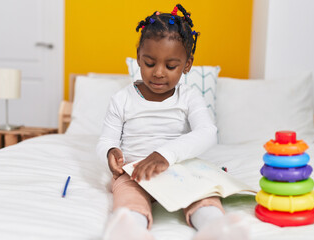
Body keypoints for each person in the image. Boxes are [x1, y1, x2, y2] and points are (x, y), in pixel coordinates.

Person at [97, 4, 248, 240]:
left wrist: (165, 155)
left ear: (187, 65)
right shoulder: (121, 99)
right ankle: (131, 230)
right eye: (149, 63)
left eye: (170, 66)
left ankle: (215, 228)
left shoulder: (189, 97)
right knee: (127, 198)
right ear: (138, 57)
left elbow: (208, 132)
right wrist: (110, 151)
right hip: (134, 172)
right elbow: (107, 138)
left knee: (203, 194)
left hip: (178, 167)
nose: (158, 72)